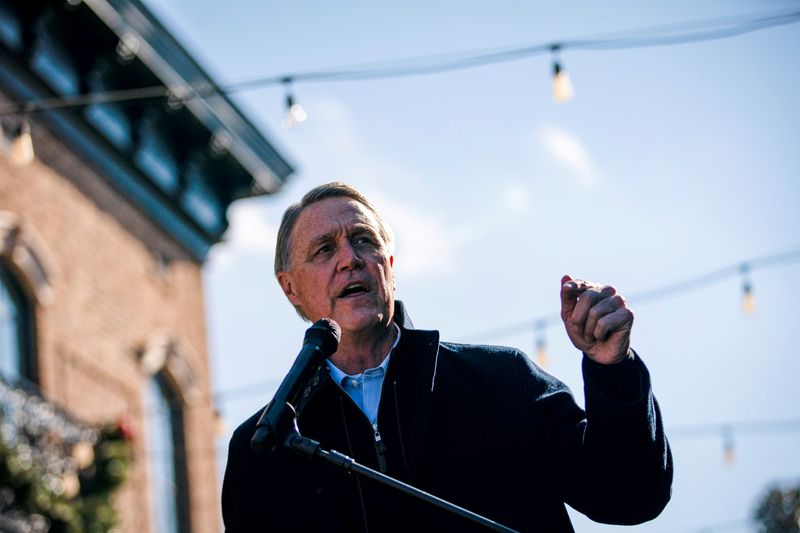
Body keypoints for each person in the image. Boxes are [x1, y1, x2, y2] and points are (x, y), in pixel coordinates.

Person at [222, 182, 673, 532]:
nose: (349, 260)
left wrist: (612, 370)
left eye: (363, 240)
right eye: (324, 249)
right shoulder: (264, 446)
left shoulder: (503, 381)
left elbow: (629, 496)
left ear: (389, 267)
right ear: (290, 287)